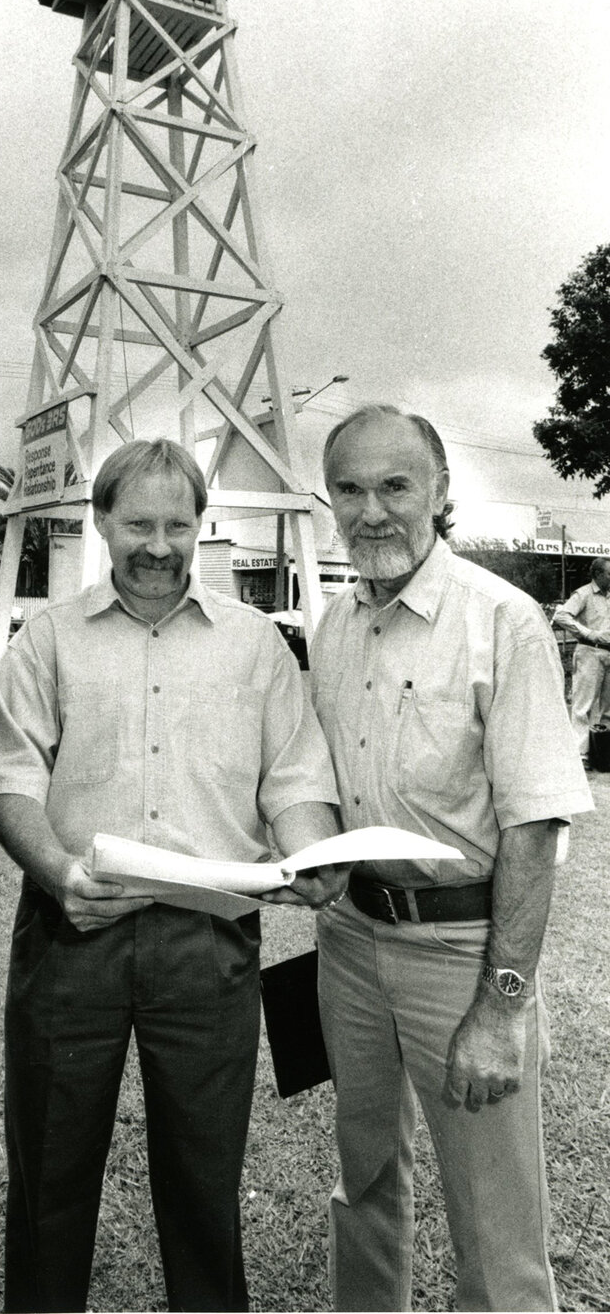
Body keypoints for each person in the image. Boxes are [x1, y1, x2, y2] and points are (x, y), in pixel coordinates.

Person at [0, 437, 346, 1314]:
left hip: (208, 942)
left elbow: (294, 777)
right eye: (137, 522)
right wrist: (59, 870)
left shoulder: (256, 645)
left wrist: (310, 854)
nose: (157, 543)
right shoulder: (48, 640)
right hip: (75, 929)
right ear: (101, 520)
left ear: (200, 525)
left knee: (203, 1179)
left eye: (176, 524)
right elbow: (11, 781)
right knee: (52, 1173)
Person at [310, 403, 593, 1312]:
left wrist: (502, 1005)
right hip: (351, 943)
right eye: (349, 489)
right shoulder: (336, 627)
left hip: (462, 953)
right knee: (364, 1183)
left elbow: (535, 825)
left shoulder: (501, 621)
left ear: (440, 492)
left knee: (497, 1228)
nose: (373, 510)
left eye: (395, 485)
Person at [552, 557, 610, 764]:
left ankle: (603, 751)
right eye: (609, 574)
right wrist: (588, 633)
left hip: (608, 654)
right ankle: (581, 754)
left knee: (607, 707)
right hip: (589, 652)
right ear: (598, 575)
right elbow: (562, 616)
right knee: (583, 705)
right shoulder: (583, 594)